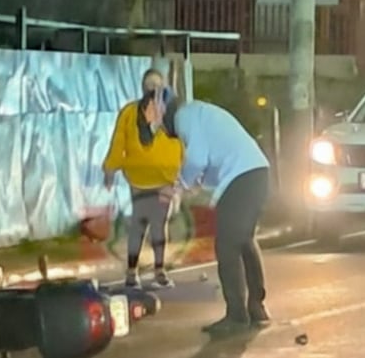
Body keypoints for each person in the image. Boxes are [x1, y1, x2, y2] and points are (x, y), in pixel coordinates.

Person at [146, 97, 271, 337]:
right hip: (257, 173)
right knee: (244, 240)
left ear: (167, 115)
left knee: (226, 245)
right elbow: (212, 162)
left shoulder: (185, 116)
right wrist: (194, 184)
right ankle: (256, 309)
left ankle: (237, 317)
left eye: (161, 126)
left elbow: (196, 160)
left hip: (243, 178)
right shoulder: (202, 114)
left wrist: (179, 185)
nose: (165, 132)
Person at [102, 69, 183, 290]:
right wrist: (110, 169)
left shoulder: (172, 114)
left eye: (156, 85)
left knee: (159, 226)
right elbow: (118, 142)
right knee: (138, 225)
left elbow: (184, 142)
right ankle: (131, 271)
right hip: (139, 180)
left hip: (165, 179)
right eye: (148, 85)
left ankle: (159, 270)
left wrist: (185, 174)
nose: (152, 89)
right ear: (141, 87)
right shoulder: (130, 112)